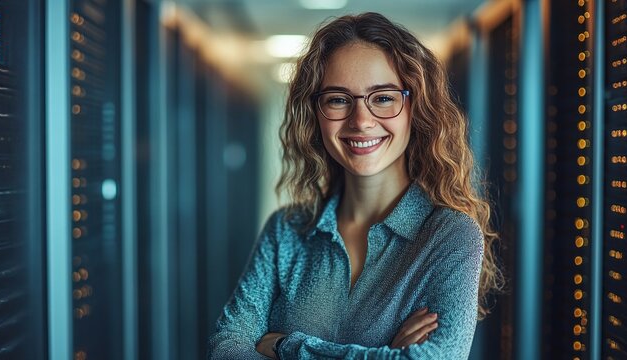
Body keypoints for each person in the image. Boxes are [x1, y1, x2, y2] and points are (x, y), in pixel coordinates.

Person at [208, 12, 502, 359]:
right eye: (338, 99)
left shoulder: (450, 235)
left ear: (415, 108)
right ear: (316, 113)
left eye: (383, 98)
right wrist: (384, 353)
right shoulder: (286, 231)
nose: (361, 121)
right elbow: (226, 346)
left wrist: (287, 346)